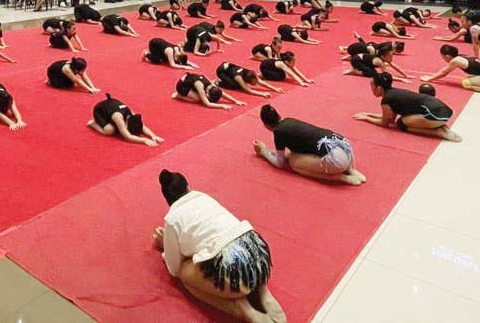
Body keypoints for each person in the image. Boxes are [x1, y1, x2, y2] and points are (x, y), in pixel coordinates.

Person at [153, 170, 284, 323]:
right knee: (233, 253)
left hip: (229, 270)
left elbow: (174, 269)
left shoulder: (172, 218)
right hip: (257, 252)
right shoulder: (204, 198)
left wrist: (165, 247)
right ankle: (262, 292)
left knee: (184, 274)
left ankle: (239, 308)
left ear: (168, 201)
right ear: (188, 188)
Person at [254, 105, 364, 185]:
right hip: (345, 147)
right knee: (293, 155)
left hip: (336, 161)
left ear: (266, 125)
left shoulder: (278, 132)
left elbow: (279, 163)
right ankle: (351, 169)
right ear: (279, 116)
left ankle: (340, 177)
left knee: (294, 163)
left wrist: (264, 151)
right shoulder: (289, 120)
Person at [356, 72, 461, 141]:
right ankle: (439, 126)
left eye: (372, 86)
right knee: (402, 120)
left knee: (402, 124)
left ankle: (437, 131)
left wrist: (366, 118)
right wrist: (368, 113)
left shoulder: (386, 99)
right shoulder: (394, 93)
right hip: (445, 112)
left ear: (378, 88)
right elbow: (390, 118)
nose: (371, 88)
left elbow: (385, 123)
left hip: (435, 115)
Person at [88, 94, 164, 146]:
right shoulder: (119, 117)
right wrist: (144, 140)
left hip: (112, 107)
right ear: (126, 124)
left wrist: (153, 136)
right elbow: (128, 137)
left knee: (117, 129)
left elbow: (143, 127)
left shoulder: (133, 115)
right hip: (100, 111)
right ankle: (93, 123)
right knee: (109, 130)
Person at [173, 73, 245, 109]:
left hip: (191, 81)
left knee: (200, 97)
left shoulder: (212, 86)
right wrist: (222, 106)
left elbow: (223, 94)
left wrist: (235, 101)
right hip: (182, 86)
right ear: (207, 93)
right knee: (197, 99)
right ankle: (178, 95)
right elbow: (207, 104)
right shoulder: (200, 87)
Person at [217, 62, 282, 97]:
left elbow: (261, 82)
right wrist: (262, 94)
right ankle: (218, 82)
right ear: (248, 81)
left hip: (230, 67)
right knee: (235, 86)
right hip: (221, 71)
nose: (257, 83)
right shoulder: (239, 77)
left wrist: (275, 89)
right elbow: (248, 90)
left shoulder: (252, 73)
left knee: (239, 85)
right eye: (255, 82)